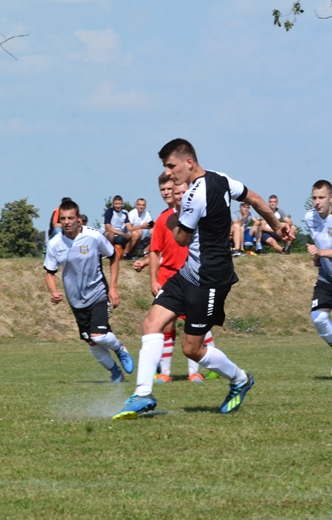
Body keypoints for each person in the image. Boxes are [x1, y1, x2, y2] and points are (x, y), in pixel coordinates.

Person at [113, 138, 292, 420]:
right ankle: (143, 395)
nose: (169, 174)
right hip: (188, 273)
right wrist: (277, 225)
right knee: (151, 323)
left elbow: (182, 239)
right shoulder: (221, 179)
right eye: (165, 168)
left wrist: (174, 219)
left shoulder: (195, 196)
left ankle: (241, 379)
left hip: (209, 278)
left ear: (188, 162)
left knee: (192, 349)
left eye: (171, 166)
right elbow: (255, 199)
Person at [133, 173, 215, 383]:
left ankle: (193, 372)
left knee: (194, 325)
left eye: (175, 190)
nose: (171, 194)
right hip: (168, 276)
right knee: (165, 325)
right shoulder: (163, 219)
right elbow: (155, 251)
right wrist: (153, 279)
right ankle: (165, 373)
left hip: (192, 276)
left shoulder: (197, 215)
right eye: (166, 190)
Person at [44, 199, 134, 383]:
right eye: (63, 218)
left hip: (98, 292)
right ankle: (116, 373)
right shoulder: (55, 243)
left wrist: (114, 288)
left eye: (71, 218)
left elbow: (113, 256)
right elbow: (49, 272)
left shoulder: (93, 236)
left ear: (79, 219)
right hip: (75, 300)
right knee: (91, 341)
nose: (67, 222)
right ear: (59, 220)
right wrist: (53, 291)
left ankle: (119, 349)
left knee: (98, 335)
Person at [305, 180, 332, 354]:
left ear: (331, 199)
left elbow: (322, 249)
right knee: (319, 317)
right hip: (326, 277)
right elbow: (320, 242)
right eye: (314, 197)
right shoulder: (309, 217)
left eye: (321, 197)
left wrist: (321, 252)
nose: (317, 202)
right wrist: (318, 256)